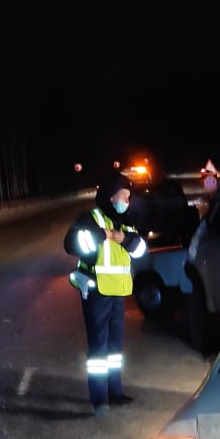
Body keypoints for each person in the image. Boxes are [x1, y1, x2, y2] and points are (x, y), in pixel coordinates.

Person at [63, 171, 147, 416]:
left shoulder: (126, 222)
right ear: (111, 197)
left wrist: (127, 240)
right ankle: (100, 400)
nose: (126, 203)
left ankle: (115, 392)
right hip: (97, 290)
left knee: (114, 349)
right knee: (99, 349)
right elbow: (71, 245)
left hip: (118, 292)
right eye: (124, 197)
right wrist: (100, 236)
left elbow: (141, 250)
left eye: (129, 198)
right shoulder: (90, 218)